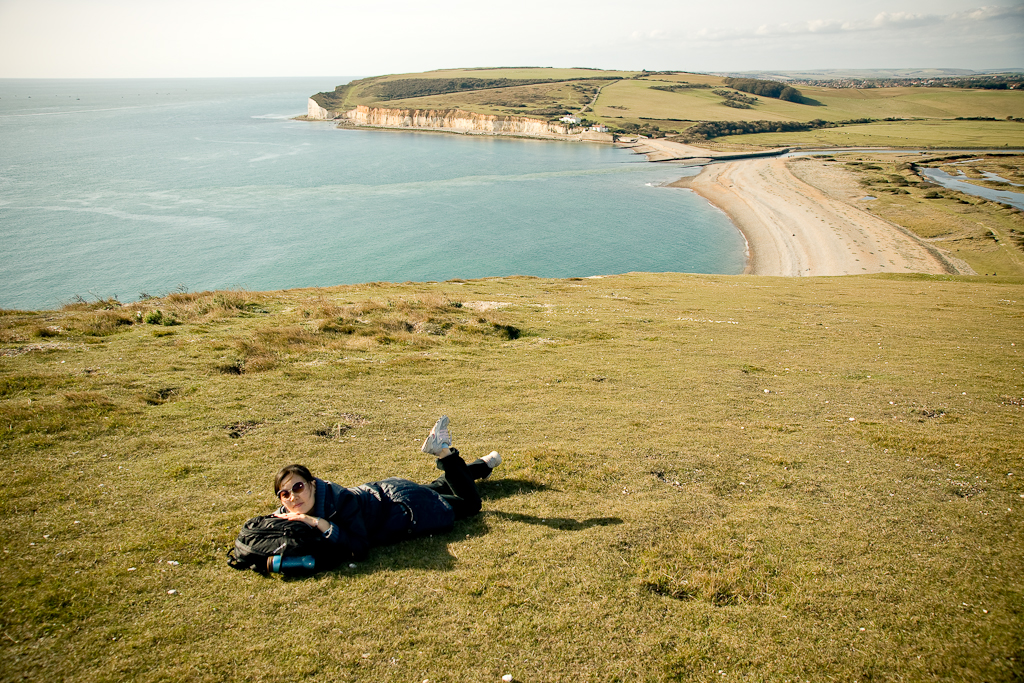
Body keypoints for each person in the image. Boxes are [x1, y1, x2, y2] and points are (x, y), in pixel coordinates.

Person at [272, 416, 501, 563]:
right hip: (388, 490)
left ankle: (443, 451)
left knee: (470, 504)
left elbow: (359, 547)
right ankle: (484, 464)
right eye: (285, 494)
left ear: (312, 484)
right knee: (443, 485)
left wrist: (316, 523)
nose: (293, 496)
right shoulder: (293, 510)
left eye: (298, 487)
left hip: (406, 506)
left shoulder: (339, 503)